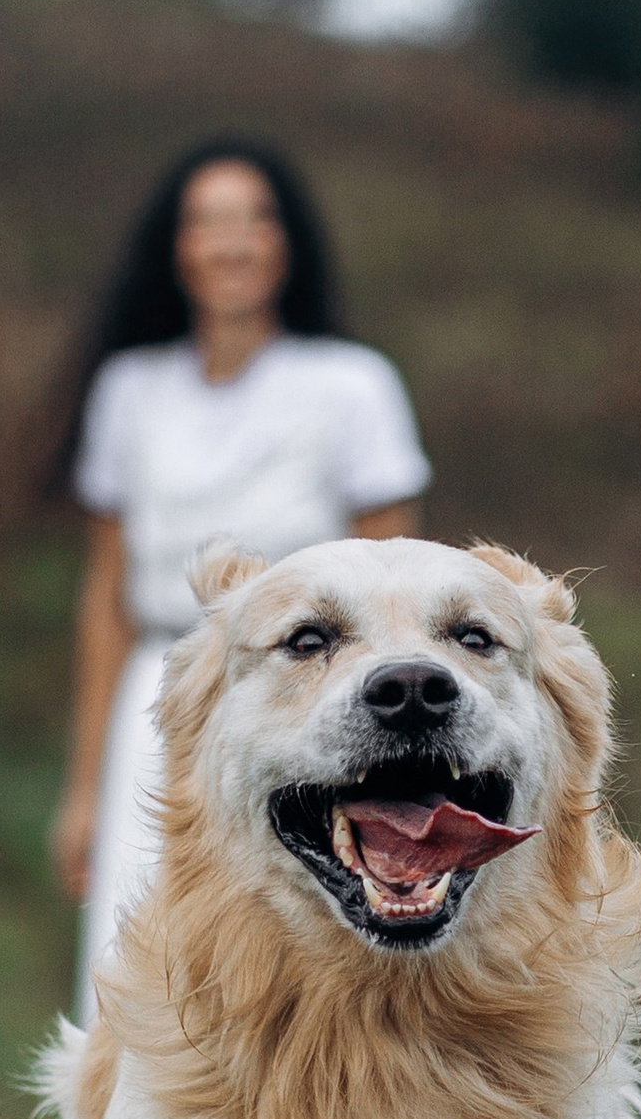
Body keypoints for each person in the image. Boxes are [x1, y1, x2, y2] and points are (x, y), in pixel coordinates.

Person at [52, 138, 429, 1018]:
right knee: (136, 968)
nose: (233, 243)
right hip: (162, 700)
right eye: (209, 222)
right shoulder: (129, 390)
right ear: (177, 248)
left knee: (292, 965)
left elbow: (400, 590)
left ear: (286, 242)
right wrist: (83, 791)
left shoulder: (352, 385)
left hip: (304, 703)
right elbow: (106, 597)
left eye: (255, 219)